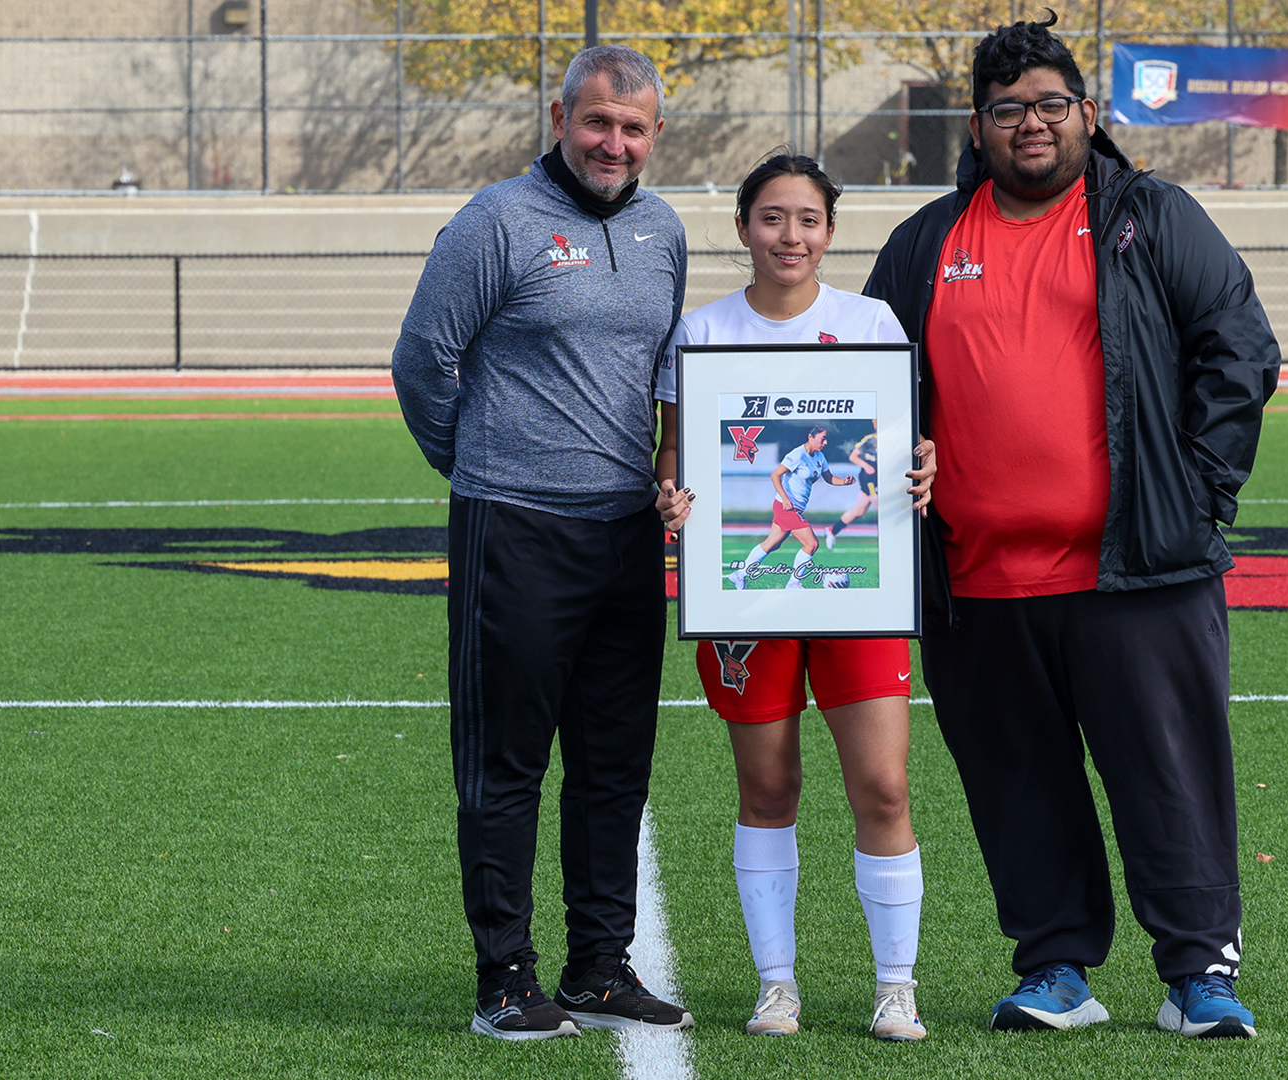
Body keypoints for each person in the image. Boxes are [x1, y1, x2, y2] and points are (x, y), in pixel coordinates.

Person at [863, 15, 1280, 1039]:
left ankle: (1199, 975)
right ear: (978, 126)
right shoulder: (926, 243)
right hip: (980, 583)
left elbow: (1239, 346)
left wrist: (1199, 491)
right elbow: (862, 386)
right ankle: (1056, 968)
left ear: (1090, 114)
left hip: (1137, 570)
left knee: (1168, 776)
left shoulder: (1149, 215)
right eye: (1010, 110)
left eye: (1053, 105)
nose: (1033, 125)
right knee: (1018, 787)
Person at [391, 45, 693, 1042]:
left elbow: (664, 378)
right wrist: (481, 468)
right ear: (558, 115)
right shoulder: (495, 222)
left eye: (634, 127)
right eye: (598, 121)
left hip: (622, 538)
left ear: (655, 135)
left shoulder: (663, 231)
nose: (614, 142)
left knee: (614, 762)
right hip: (513, 531)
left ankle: (601, 967)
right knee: (506, 765)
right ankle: (504, 978)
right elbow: (423, 360)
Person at [652, 152, 938, 1041]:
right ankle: (777, 984)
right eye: (772, 218)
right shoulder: (701, 333)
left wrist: (921, 469)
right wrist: (671, 492)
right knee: (767, 788)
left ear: (830, 230)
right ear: (743, 228)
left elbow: (901, 444)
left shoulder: (872, 320)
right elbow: (675, 453)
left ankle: (898, 984)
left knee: (884, 788)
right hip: (747, 610)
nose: (790, 236)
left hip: (859, 593)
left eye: (807, 219)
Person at [726, 424, 857, 589]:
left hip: (795, 508)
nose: (825, 442)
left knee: (772, 544)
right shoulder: (797, 455)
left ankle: (739, 575)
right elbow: (775, 475)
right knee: (812, 544)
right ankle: (794, 583)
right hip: (786, 507)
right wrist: (785, 498)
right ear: (811, 437)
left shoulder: (819, 457)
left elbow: (829, 478)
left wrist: (845, 482)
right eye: (822, 438)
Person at [826, 424, 878, 550]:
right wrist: (866, 466)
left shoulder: (892, 439)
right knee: (881, 506)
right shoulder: (870, 439)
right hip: (869, 477)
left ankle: (833, 530)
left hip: (880, 477)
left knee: (858, 511)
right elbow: (853, 456)